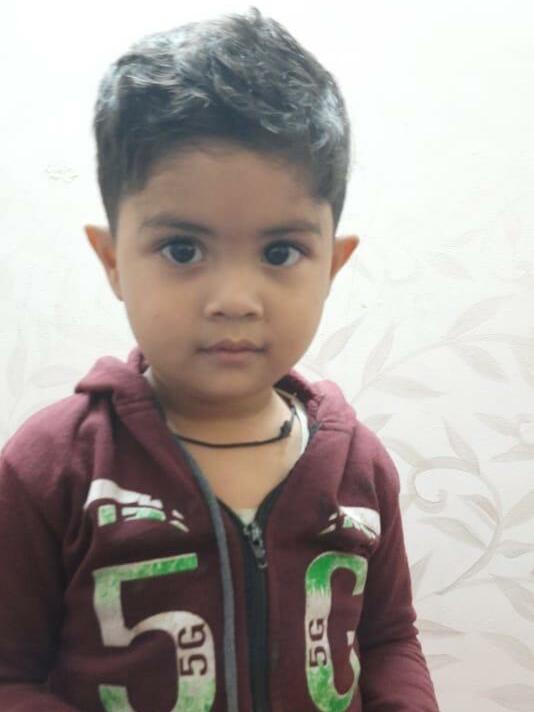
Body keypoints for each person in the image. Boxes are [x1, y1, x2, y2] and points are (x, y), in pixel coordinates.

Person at [0, 7, 440, 711]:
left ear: (333, 265)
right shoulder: (52, 466)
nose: (235, 299)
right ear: (112, 260)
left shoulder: (359, 466)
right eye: (183, 249)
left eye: (280, 252)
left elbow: (389, 639)